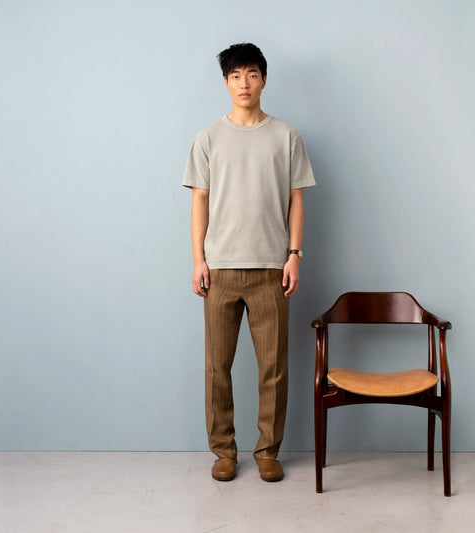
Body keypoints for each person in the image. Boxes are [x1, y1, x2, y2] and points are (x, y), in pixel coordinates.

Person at [183, 43, 315, 482]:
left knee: (273, 369)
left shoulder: (286, 137)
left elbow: (297, 201)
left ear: (264, 80)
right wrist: (198, 259)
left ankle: (267, 451)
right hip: (220, 268)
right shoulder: (207, 138)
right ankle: (223, 451)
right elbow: (199, 201)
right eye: (236, 75)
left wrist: (294, 255)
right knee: (216, 367)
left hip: (271, 269)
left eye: (252, 74)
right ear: (226, 82)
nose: (244, 83)